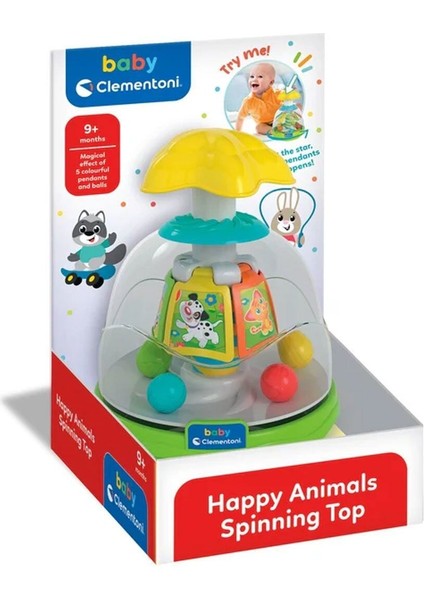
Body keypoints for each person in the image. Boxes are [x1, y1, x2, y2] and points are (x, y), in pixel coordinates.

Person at [235, 63, 282, 134]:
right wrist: (237, 132)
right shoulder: (248, 101)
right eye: (252, 76)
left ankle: (286, 127)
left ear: (271, 82)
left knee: (296, 108)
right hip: (264, 124)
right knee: (258, 127)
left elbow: (288, 100)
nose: (254, 79)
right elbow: (240, 117)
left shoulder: (277, 93)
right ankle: (275, 131)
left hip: (279, 120)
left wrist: (290, 91)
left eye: (260, 76)